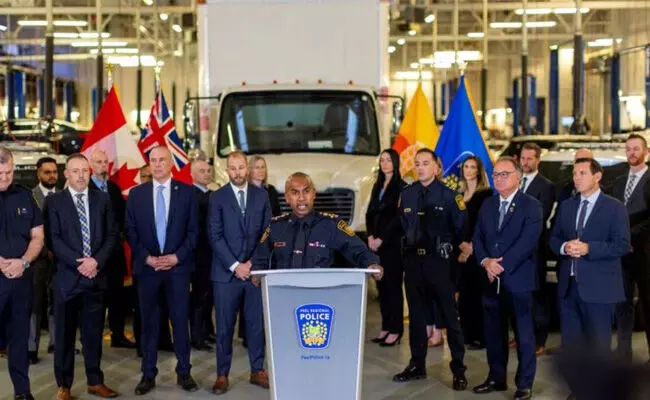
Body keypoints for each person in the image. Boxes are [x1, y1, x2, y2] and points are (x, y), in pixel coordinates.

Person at [549, 158, 629, 400]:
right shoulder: (567, 206)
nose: (576, 178)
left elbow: (622, 244)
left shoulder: (614, 207)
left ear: (597, 176)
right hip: (569, 287)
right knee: (573, 347)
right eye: (574, 173)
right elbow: (553, 239)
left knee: (598, 346)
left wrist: (589, 248)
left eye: (582, 173)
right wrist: (564, 247)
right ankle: (579, 391)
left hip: (600, 289)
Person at [126, 146, 199, 395]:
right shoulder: (136, 194)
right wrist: (147, 258)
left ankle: (184, 372)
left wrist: (176, 257)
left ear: (171, 164)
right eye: (153, 160)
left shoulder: (187, 193)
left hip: (177, 270)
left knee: (180, 321)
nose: (157, 165)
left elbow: (193, 232)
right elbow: (130, 231)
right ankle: (148, 374)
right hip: (148, 270)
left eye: (162, 160)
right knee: (149, 324)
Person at [392, 149, 468, 391]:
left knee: (450, 317)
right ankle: (417, 365)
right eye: (417, 164)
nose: (421, 168)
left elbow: (460, 229)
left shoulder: (450, 196)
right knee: (416, 317)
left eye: (426, 163)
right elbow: (403, 224)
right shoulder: (407, 194)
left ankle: (458, 369)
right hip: (414, 262)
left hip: (440, 263)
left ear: (436, 167)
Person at [47, 153, 120, 400]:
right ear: (66, 174)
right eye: (75, 171)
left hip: (95, 278)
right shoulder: (55, 202)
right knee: (64, 338)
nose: (80, 176)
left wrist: (96, 261)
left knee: (93, 335)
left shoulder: (103, 199)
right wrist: (80, 264)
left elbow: (112, 235)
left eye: (84, 171)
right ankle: (64, 386)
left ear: (90, 173)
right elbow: (53, 239)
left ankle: (95, 381)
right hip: (67, 280)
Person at [472, 157, 542, 400]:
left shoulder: (531, 205)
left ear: (518, 177)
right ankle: (496, 378)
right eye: (495, 175)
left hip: (518, 280)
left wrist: (500, 265)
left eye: (504, 174)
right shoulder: (488, 204)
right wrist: (485, 261)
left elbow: (528, 242)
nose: (499, 179)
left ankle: (524, 384)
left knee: (523, 335)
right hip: (490, 280)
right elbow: (477, 237)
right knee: (493, 333)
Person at [208, 150, 271, 394]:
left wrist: (252, 264)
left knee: (256, 325)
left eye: (241, 167)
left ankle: (257, 370)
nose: (237, 173)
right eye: (232, 168)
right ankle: (222, 374)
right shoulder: (217, 197)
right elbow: (214, 235)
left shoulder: (261, 195)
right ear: (227, 171)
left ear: (248, 168)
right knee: (224, 328)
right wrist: (236, 266)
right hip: (226, 275)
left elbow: (267, 233)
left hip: (254, 273)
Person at [253, 171, 384, 272]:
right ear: (287, 198)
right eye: (295, 193)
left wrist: (371, 263)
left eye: (306, 191)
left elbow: (357, 249)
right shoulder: (276, 227)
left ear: (314, 194)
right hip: (283, 294)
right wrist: (257, 274)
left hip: (320, 295)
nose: (302, 198)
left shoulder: (331, 224)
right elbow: (260, 259)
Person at [0, 146, 45, 400]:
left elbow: (38, 236)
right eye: (0, 173)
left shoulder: (25, 196)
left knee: (19, 338)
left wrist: (24, 262)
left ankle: (23, 392)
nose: (5, 177)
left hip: (21, 279)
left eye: (8, 172)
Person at [88, 149, 135, 349]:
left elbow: (122, 218)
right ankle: (92, 339)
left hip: (114, 253)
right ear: (91, 164)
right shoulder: (85, 188)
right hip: (94, 254)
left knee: (117, 297)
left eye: (105, 162)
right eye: (99, 162)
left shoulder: (113, 189)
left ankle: (118, 334)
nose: (103, 166)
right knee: (95, 300)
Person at [610, 134, 650, 362]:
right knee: (622, 304)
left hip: (645, 253)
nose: (632, 153)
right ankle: (623, 351)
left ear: (646, 152)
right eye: (628, 149)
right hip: (621, 256)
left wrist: (628, 236)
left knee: (647, 305)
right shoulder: (618, 181)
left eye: (636, 148)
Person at [519, 143, 556, 355]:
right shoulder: (515, 181)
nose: (525, 162)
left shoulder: (546, 186)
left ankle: (539, 340)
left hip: (534, 251)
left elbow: (540, 217)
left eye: (529, 159)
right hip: (513, 252)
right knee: (519, 296)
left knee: (537, 296)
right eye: (523, 158)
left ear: (537, 160)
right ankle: (521, 335)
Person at [365, 149, 405, 346]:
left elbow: (399, 218)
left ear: (395, 162)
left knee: (393, 287)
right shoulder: (377, 185)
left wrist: (382, 238)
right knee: (382, 287)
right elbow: (369, 213)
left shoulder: (402, 187)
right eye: (382, 160)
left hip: (392, 244)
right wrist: (370, 236)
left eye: (389, 160)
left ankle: (396, 330)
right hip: (376, 244)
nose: (385, 163)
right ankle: (386, 326)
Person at [456, 155, 493, 351]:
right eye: (466, 167)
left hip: (478, 251)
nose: (468, 170)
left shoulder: (486, 195)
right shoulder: (458, 194)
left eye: (472, 167)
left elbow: (484, 224)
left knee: (478, 295)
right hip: (460, 251)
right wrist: (461, 245)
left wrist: (471, 246)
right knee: (464, 296)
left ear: (478, 171)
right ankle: (467, 334)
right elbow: (453, 222)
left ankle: (481, 337)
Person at [28, 156, 59, 363]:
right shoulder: (29, 197)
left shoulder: (64, 195)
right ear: (38, 173)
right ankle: (31, 348)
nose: (51, 176)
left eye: (54, 172)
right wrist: (43, 249)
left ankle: (56, 344)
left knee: (57, 302)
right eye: (47, 172)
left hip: (60, 259)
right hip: (37, 260)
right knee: (35, 303)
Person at [189, 159, 215, 351]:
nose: (206, 174)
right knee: (199, 297)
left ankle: (207, 331)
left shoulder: (212, 195)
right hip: (198, 254)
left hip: (213, 253)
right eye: (201, 171)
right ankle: (197, 337)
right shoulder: (190, 196)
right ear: (192, 174)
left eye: (208, 170)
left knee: (209, 296)